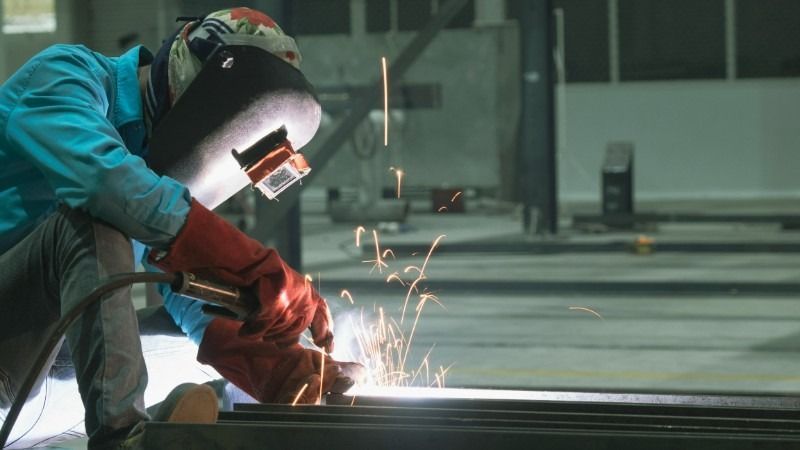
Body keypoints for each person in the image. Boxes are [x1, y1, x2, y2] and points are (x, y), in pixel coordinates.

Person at [0, 7, 361, 449]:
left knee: (212, 349)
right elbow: (104, 184)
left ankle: (244, 406)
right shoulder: (65, 77)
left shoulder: (158, 169)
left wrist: (275, 364)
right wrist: (243, 260)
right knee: (93, 222)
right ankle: (125, 439)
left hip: (45, 378)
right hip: (6, 348)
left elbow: (180, 280)